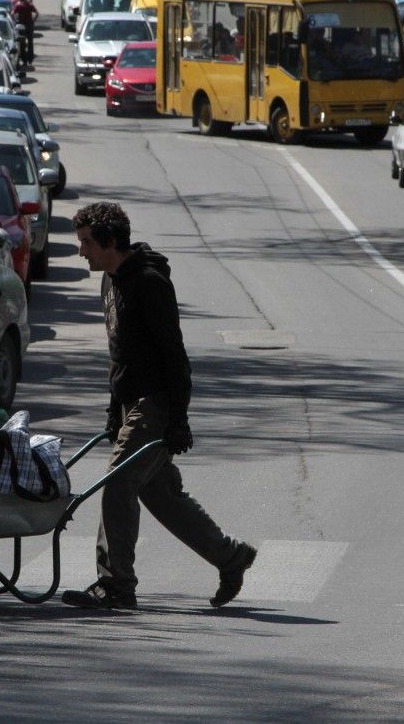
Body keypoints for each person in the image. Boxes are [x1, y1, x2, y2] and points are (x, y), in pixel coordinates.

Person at [62, 202, 256, 610]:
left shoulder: (149, 283)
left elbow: (174, 354)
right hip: (133, 400)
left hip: (157, 403)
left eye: (86, 243)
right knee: (160, 494)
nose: (81, 252)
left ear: (110, 242)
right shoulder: (111, 279)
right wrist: (114, 408)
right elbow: (121, 353)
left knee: (117, 485)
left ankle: (116, 585)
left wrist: (179, 418)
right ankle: (231, 557)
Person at [11, 0, 39, 64]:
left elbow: (12, 14)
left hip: (21, 25)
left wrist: (15, 21)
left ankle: (24, 60)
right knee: (30, 42)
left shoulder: (18, 5)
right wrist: (33, 20)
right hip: (29, 25)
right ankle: (30, 58)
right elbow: (37, 13)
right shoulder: (30, 5)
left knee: (22, 42)